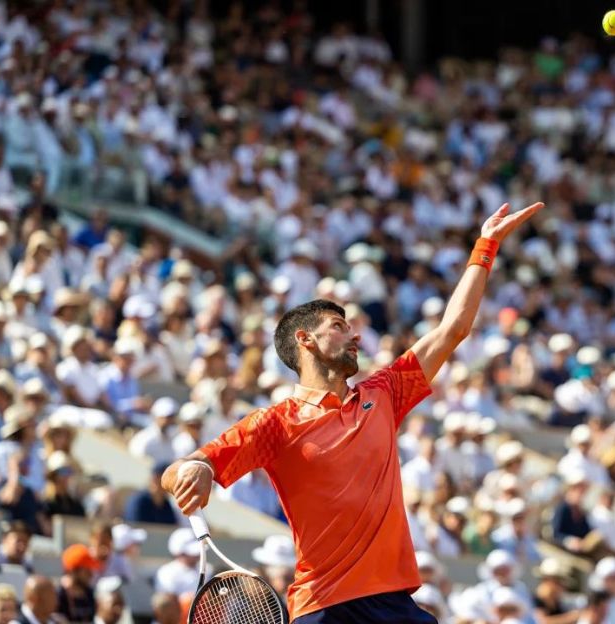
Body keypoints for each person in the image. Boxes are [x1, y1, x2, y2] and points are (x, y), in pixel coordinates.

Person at [161, 201, 542, 623]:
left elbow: (453, 329)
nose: (353, 334)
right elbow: (176, 472)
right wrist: (193, 469)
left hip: (394, 604)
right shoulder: (274, 423)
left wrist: (485, 247)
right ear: (305, 340)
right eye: (339, 327)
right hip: (324, 607)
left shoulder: (384, 393)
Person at [57, 544, 99, 623]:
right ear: (74, 571)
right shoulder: (58, 596)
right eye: (87, 570)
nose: (91, 574)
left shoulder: (89, 593)